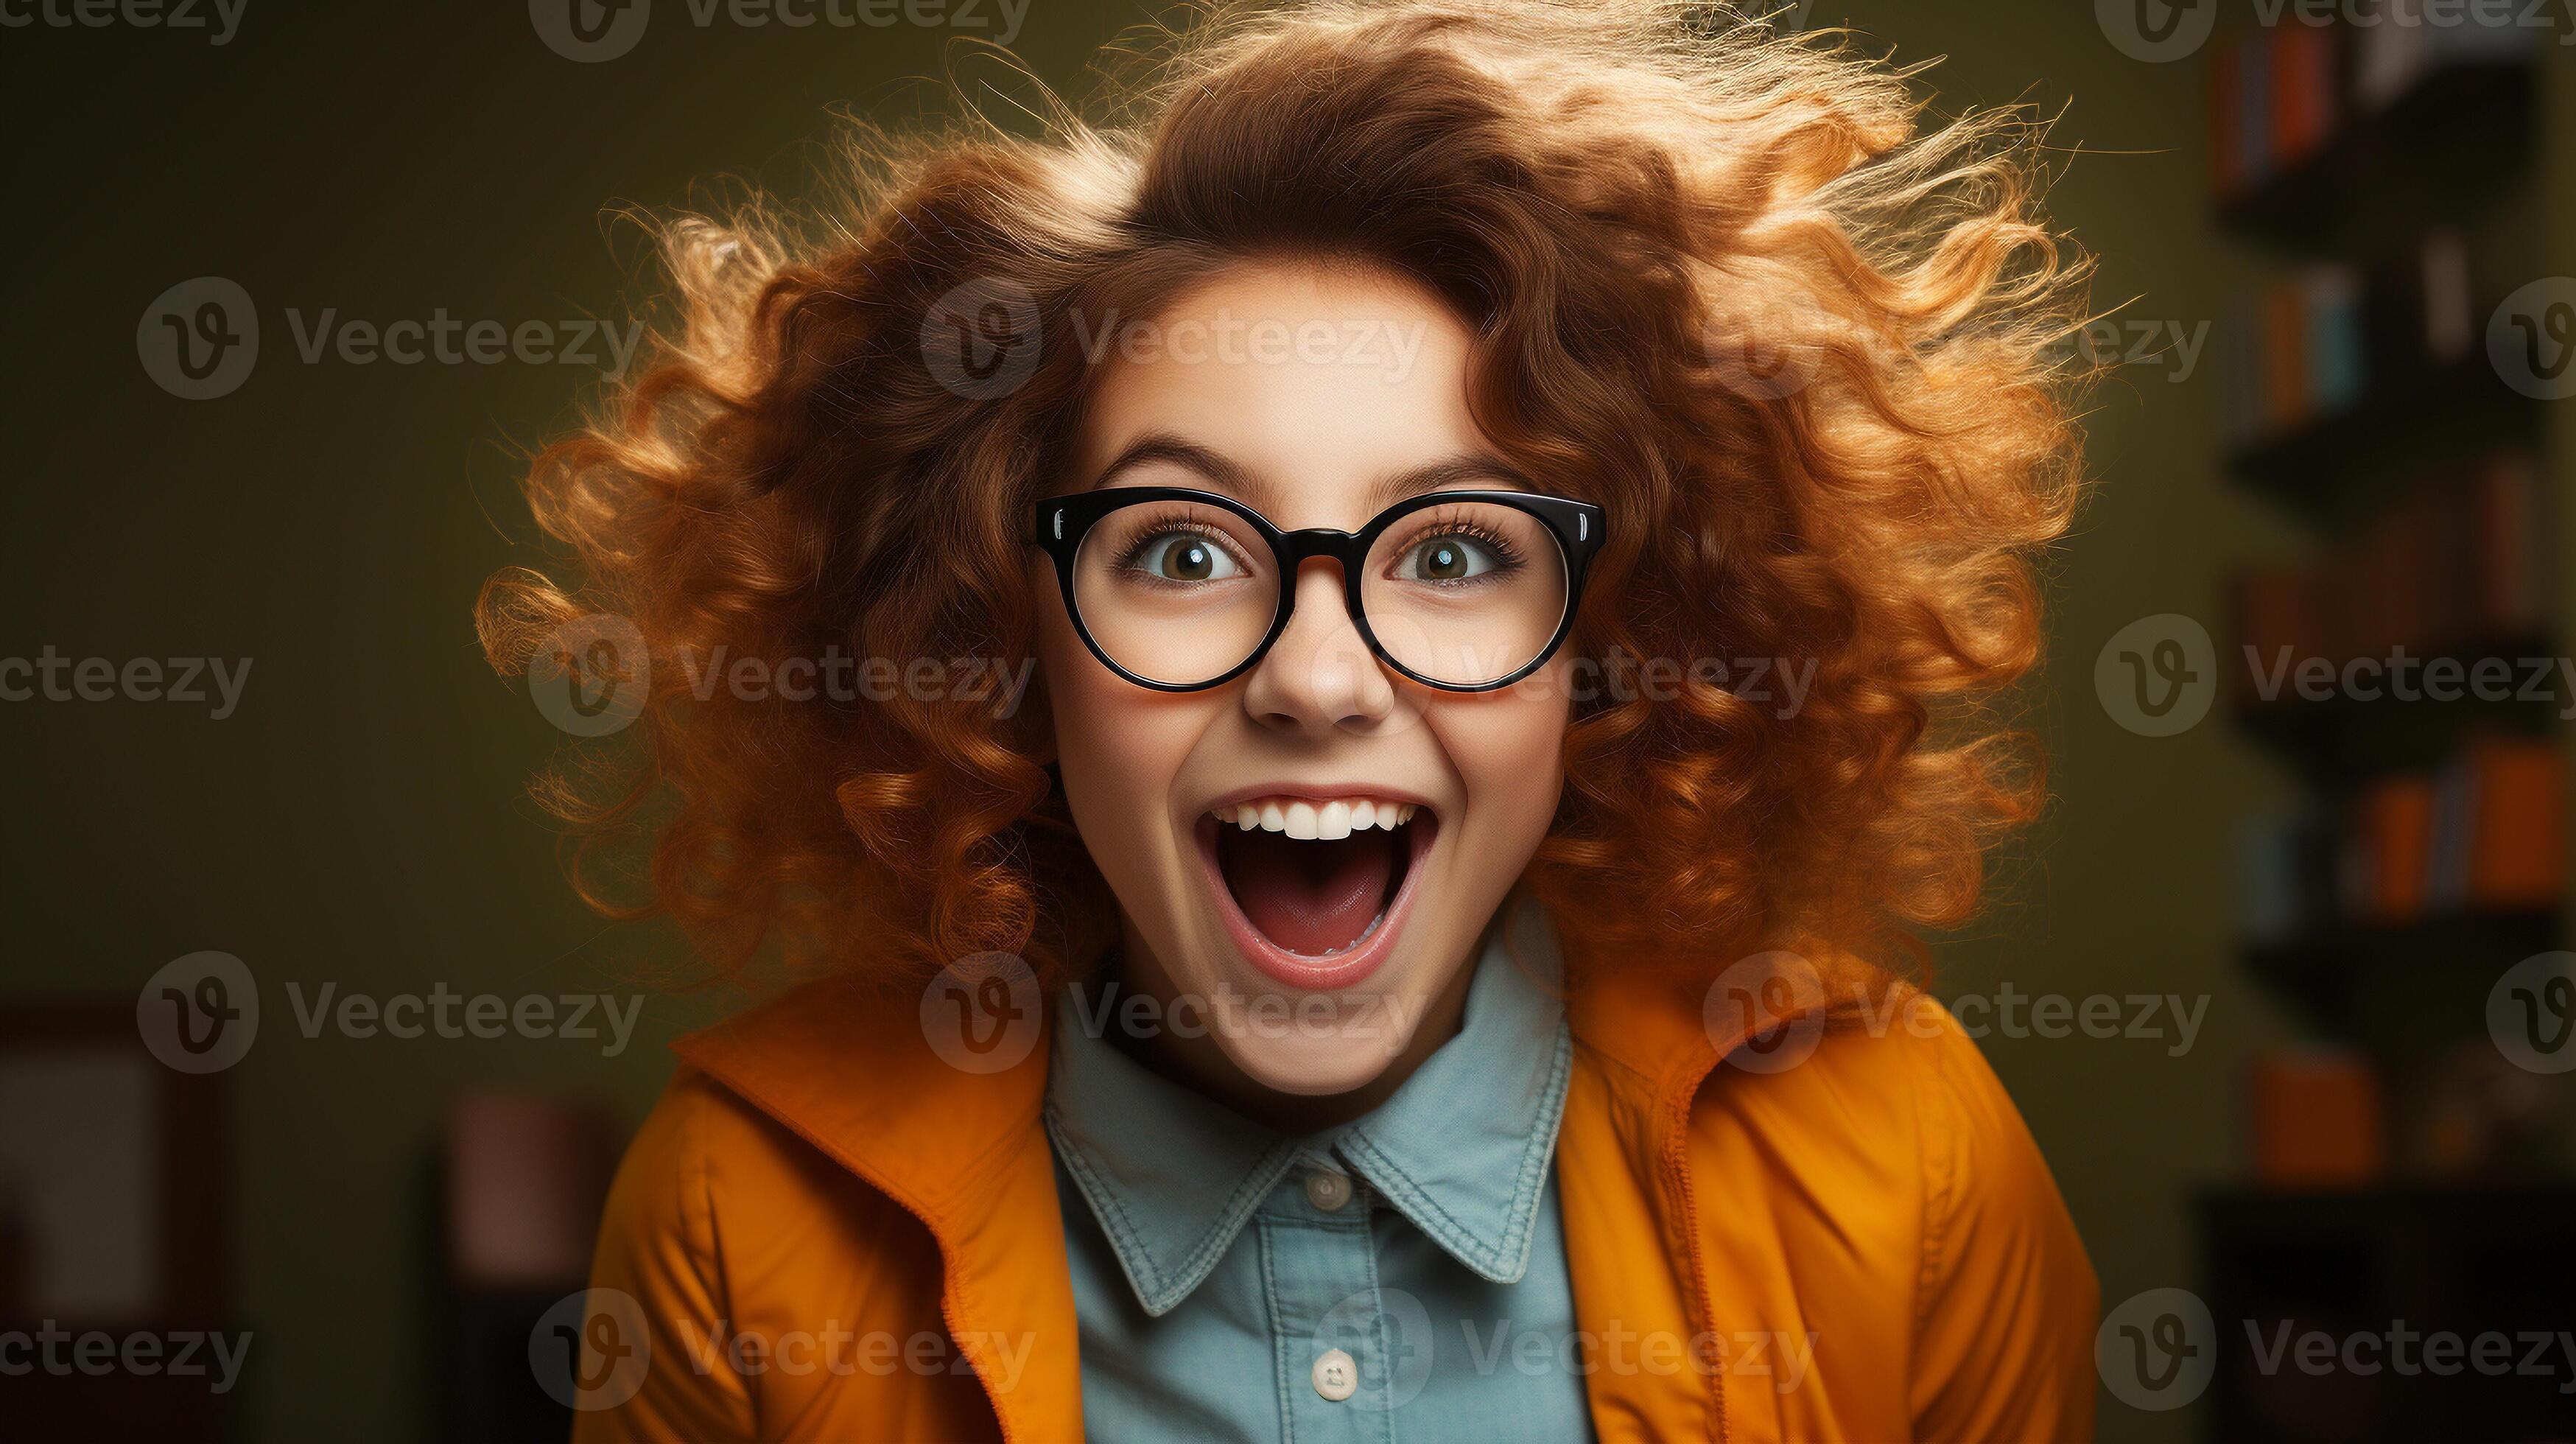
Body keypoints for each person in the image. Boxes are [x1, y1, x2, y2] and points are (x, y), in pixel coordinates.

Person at [480, 1, 2101, 1437]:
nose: (1318, 681)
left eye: (1457, 552)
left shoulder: (1907, 1165)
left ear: (1606, 652)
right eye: (1181, 551)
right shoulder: (739, 1216)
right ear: (998, 640)